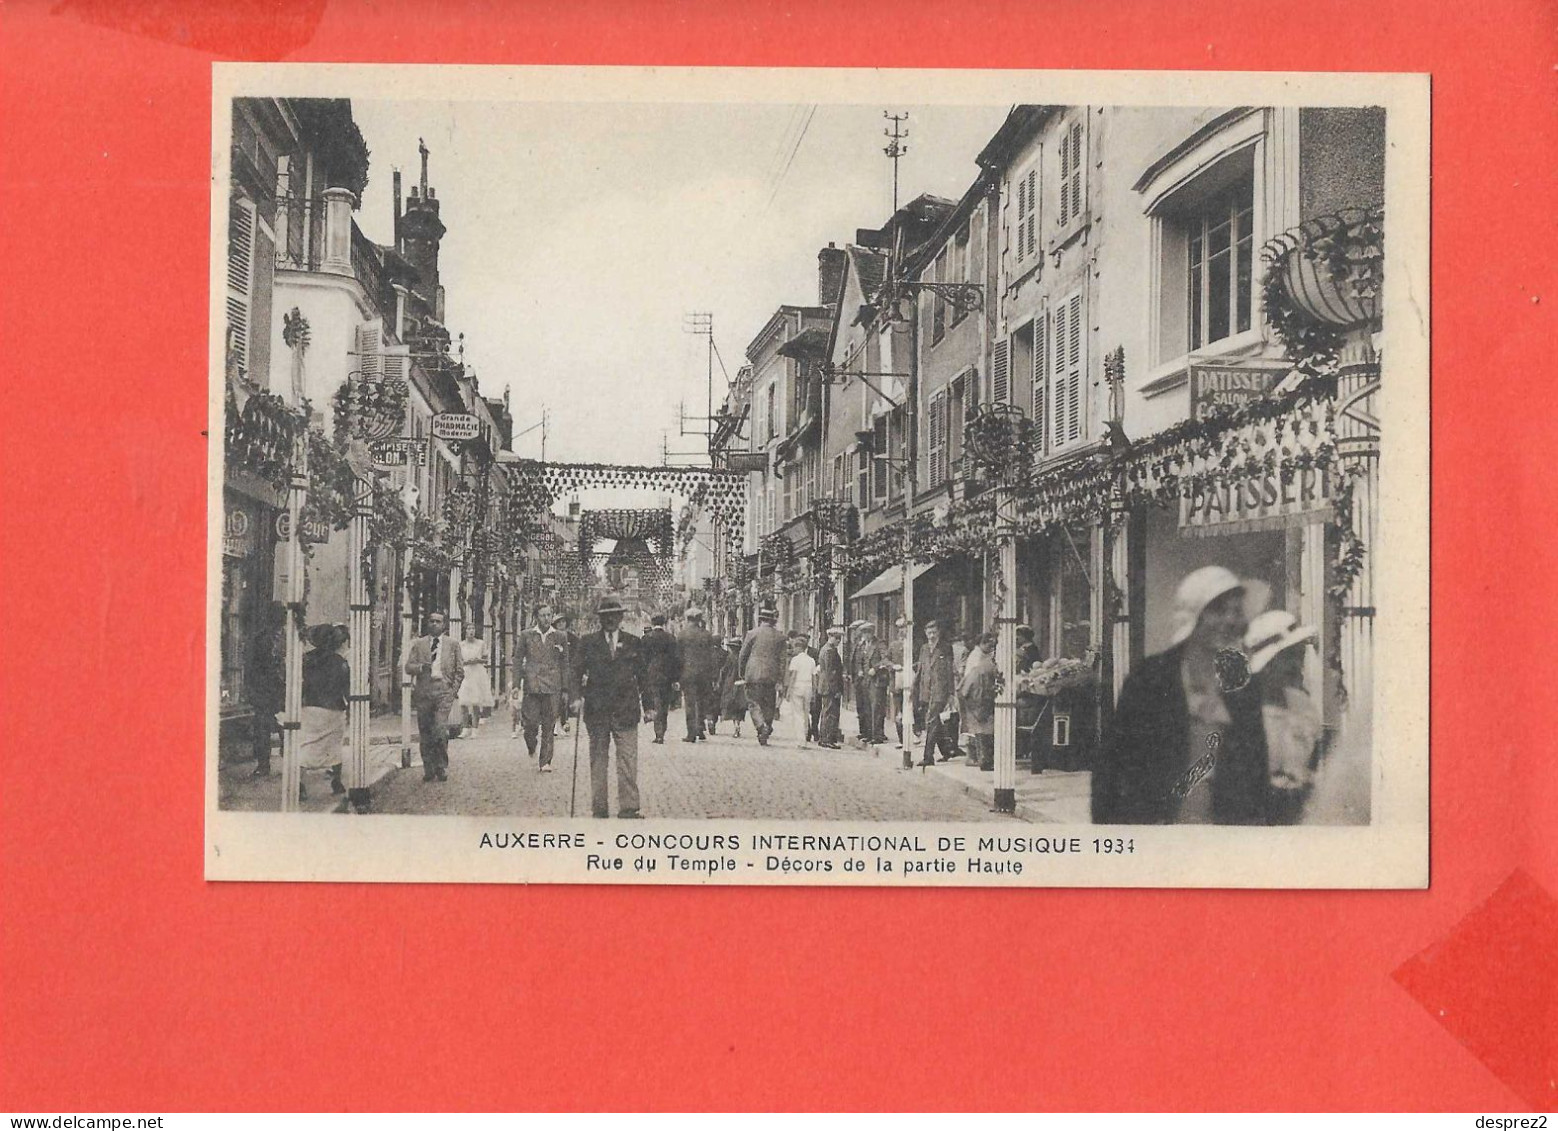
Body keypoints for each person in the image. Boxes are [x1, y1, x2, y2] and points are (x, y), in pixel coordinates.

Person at [1092, 566, 1269, 825]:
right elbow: (1113, 768)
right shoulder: (1150, 679)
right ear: (1193, 616)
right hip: (1157, 836)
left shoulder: (1244, 686)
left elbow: (1256, 774)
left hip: (1225, 842)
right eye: (1218, 610)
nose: (1230, 620)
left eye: (1236, 611)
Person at [568, 595, 648, 819]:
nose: (610, 619)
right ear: (600, 619)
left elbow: (643, 676)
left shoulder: (633, 642)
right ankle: (599, 807)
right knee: (598, 760)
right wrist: (575, 697)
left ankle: (629, 807)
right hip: (597, 711)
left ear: (621, 616)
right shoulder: (588, 643)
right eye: (606, 616)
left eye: (614, 615)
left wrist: (650, 705)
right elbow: (574, 673)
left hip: (626, 710)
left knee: (628, 761)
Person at [1245, 610, 1323, 825]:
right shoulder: (1245, 711)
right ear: (1267, 666)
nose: (1294, 664)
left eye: (1297, 654)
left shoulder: (1303, 705)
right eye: (1286, 657)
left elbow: (1312, 762)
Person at [405, 611, 463, 783]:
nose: (434, 624)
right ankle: (428, 768)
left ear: (444, 625)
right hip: (424, 691)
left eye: (438, 621)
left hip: (443, 691)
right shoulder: (419, 644)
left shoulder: (452, 644)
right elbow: (408, 667)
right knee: (425, 732)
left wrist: (452, 692)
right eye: (431, 621)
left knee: (439, 729)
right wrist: (421, 668)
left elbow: (460, 671)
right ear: (427, 624)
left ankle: (441, 767)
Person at [299, 623, 350, 798]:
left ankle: (300, 784)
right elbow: (346, 688)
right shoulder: (340, 662)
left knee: (305, 745)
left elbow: (300, 684)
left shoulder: (305, 660)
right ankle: (336, 782)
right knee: (334, 747)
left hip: (310, 708)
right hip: (333, 709)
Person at [513, 605, 566, 772]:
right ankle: (531, 743)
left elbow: (565, 663)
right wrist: (516, 684)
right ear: (536, 617)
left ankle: (545, 761)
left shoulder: (559, 636)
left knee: (549, 724)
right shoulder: (527, 635)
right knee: (530, 723)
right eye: (543, 615)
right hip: (532, 684)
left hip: (552, 686)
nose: (546, 618)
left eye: (549, 615)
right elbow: (517, 660)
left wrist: (565, 688)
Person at [246, 602, 286, 779]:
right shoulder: (260, 639)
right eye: (278, 615)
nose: (281, 619)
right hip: (264, 691)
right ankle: (263, 765)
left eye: (283, 615)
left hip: (282, 691)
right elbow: (252, 666)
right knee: (262, 729)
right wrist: (253, 690)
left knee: (286, 727)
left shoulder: (289, 638)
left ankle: (292, 765)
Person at [912, 618, 958, 768]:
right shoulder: (924, 648)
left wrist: (951, 693)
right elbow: (920, 670)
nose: (931, 636)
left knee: (931, 722)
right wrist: (914, 689)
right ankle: (947, 751)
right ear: (926, 633)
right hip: (925, 690)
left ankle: (928, 757)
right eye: (929, 632)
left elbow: (949, 671)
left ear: (938, 633)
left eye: (934, 632)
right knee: (935, 722)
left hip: (940, 691)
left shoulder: (945, 648)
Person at [737, 606, 787, 746]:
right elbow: (783, 661)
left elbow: (743, 655)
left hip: (753, 674)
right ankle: (766, 728)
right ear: (773, 621)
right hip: (771, 675)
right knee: (768, 703)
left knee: (753, 702)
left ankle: (761, 726)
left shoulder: (752, 633)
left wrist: (742, 672)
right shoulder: (780, 636)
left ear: (760, 620)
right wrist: (780, 680)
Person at [676, 607, 722, 743]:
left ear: (688, 619)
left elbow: (678, 657)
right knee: (702, 701)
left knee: (690, 703)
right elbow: (712, 657)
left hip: (688, 673)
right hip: (704, 674)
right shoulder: (706, 635)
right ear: (699, 619)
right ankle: (700, 728)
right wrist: (714, 675)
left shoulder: (682, 634)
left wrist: (677, 675)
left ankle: (691, 732)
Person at [639, 614, 682, 744]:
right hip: (667, 675)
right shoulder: (671, 639)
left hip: (651, 674)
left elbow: (642, 660)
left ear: (652, 623)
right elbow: (676, 660)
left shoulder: (646, 639)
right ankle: (662, 730)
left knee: (655, 701)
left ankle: (658, 733)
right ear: (664, 624)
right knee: (664, 704)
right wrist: (676, 678)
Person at [960, 631, 999, 771]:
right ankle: (976, 757)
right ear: (982, 643)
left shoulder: (984, 655)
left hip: (975, 691)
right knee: (978, 726)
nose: (991, 647)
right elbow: (978, 677)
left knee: (977, 726)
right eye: (989, 644)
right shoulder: (977, 657)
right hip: (976, 692)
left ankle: (977, 757)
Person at [851, 621, 886, 744]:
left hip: (876, 681)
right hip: (865, 680)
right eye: (863, 633)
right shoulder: (862, 645)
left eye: (867, 633)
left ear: (872, 633)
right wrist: (860, 670)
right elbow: (858, 661)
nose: (865, 635)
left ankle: (877, 736)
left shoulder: (879, 644)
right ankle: (869, 734)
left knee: (876, 708)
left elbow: (885, 659)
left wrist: (875, 669)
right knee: (867, 707)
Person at [456, 622, 494, 735]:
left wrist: (477, 660)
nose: (471, 631)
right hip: (466, 672)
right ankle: (465, 728)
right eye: (468, 629)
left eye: (473, 628)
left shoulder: (480, 643)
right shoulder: (460, 645)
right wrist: (467, 662)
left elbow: (486, 659)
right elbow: (458, 660)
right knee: (463, 701)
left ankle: (475, 728)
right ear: (465, 631)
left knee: (475, 701)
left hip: (477, 673)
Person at [783, 636, 819, 746]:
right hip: (808, 688)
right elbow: (814, 678)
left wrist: (788, 690)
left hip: (797, 687)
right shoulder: (811, 660)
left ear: (799, 647)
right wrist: (814, 691)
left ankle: (801, 739)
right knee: (805, 713)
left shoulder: (795, 660)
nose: (793, 650)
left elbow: (793, 676)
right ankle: (805, 736)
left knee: (798, 714)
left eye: (795, 647)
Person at [815, 624, 846, 748]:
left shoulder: (826, 649)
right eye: (837, 638)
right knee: (830, 712)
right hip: (829, 687)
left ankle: (825, 738)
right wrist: (836, 689)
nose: (838, 641)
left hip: (826, 686)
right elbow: (831, 672)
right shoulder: (829, 651)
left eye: (839, 638)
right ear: (831, 637)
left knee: (827, 711)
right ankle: (827, 738)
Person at [715, 636, 746, 737]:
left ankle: (736, 727)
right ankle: (737, 725)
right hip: (741, 684)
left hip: (730, 685)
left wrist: (719, 682)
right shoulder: (743, 658)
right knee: (739, 707)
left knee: (731, 705)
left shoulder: (730, 658)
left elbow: (723, 671)